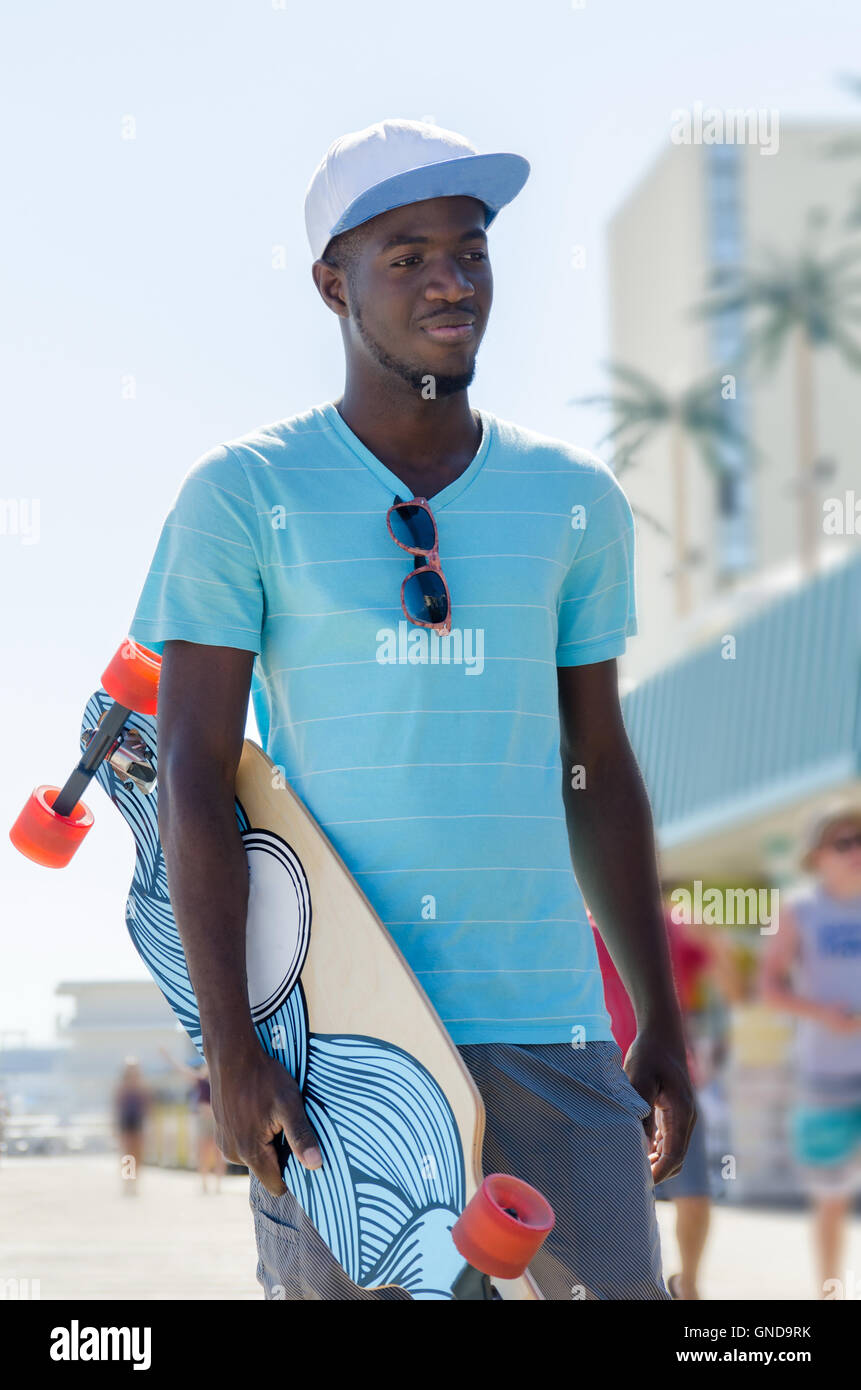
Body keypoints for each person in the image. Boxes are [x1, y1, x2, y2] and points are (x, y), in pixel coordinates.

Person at [129, 117, 694, 1300]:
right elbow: (192, 772)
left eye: (473, 251)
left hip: (552, 1023)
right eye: (408, 256)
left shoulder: (570, 499)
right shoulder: (244, 493)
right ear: (333, 283)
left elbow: (598, 760)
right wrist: (232, 1047)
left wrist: (659, 1016)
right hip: (343, 1044)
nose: (453, 281)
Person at [593, 899, 741, 1300]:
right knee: (624, 1205)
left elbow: (734, 990)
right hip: (605, 1082)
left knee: (694, 1195)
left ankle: (687, 1285)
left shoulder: (673, 925)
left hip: (673, 1082)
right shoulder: (577, 925)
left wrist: (717, 941)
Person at [761, 804, 861, 1298]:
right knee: (832, 1197)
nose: (857, 851)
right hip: (824, 1075)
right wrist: (824, 1013)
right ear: (818, 856)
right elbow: (769, 987)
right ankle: (830, 1290)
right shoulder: (800, 911)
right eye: (844, 843)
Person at [160, 1048, 227, 1193]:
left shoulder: (220, 1080)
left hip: (215, 1121)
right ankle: (205, 1183)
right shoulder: (201, 1080)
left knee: (217, 1153)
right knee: (204, 1153)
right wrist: (168, 1056)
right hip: (205, 1120)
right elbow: (181, 1070)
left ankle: (217, 1184)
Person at [113, 1058, 151, 1194]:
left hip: (138, 1122)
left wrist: (149, 1126)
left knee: (138, 1153)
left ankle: (135, 1181)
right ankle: (127, 1181)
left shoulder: (143, 1087)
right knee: (126, 1154)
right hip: (125, 1122)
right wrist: (114, 1127)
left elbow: (147, 1107)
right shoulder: (121, 1087)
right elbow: (116, 1107)